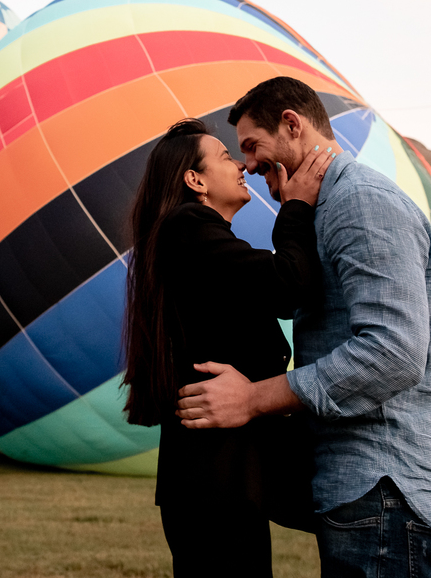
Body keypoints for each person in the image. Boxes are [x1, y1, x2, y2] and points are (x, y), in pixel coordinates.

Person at [175, 77, 431, 578]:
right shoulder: (322, 210)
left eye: (252, 146)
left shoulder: (361, 201)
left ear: (292, 125)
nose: (247, 164)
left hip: (387, 490)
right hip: (364, 494)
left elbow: (392, 353)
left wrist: (253, 399)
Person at [122, 118, 332, 577]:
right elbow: (287, 285)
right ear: (195, 180)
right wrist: (296, 206)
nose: (240, 164)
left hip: (217, 473)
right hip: (214, 478)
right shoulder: (187, 224)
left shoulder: (189, 239)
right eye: (225, 156)